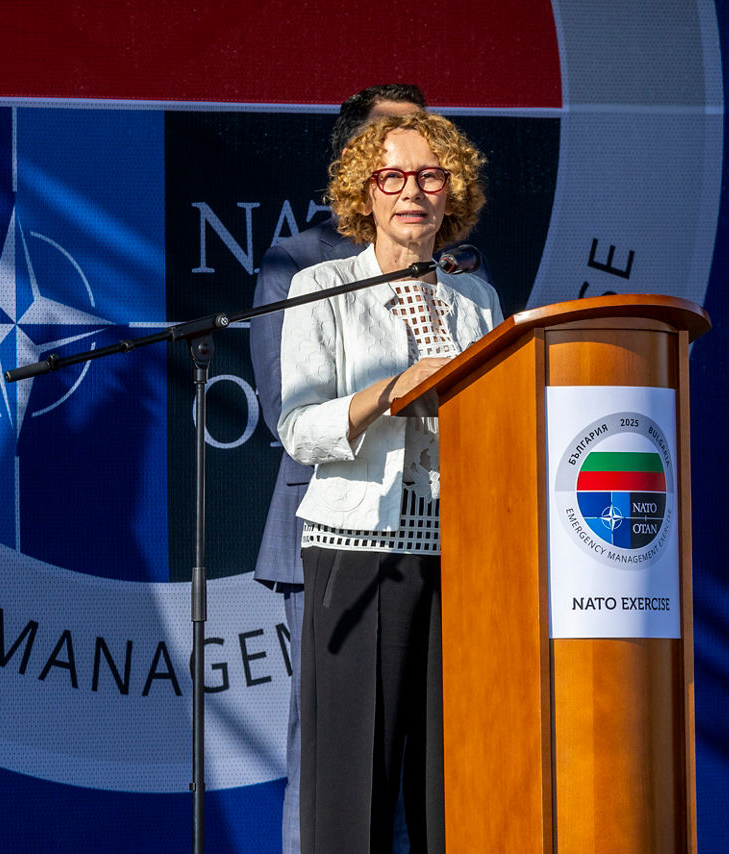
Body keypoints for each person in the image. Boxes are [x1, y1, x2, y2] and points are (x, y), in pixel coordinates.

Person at [277, 112, 501, 854]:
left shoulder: (478, 301)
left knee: (451, 779)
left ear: (453, 192)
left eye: (431, 176)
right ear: (363, 195)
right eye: (392, 177)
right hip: (356, 553)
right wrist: (391, 392)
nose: (413, 192)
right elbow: (300, 430)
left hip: (461, 558)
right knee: (352, 785)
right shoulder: (320, 287)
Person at [249, 84, 425, 854]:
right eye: (393, 155)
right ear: (354, 166)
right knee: (333, 765)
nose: (413, 174)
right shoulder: (299, 263)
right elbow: (283, 409)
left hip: (439, 542)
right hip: (330, 539)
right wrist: (390, 398)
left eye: (427, 155)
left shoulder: (460, 273)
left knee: (419, 760)